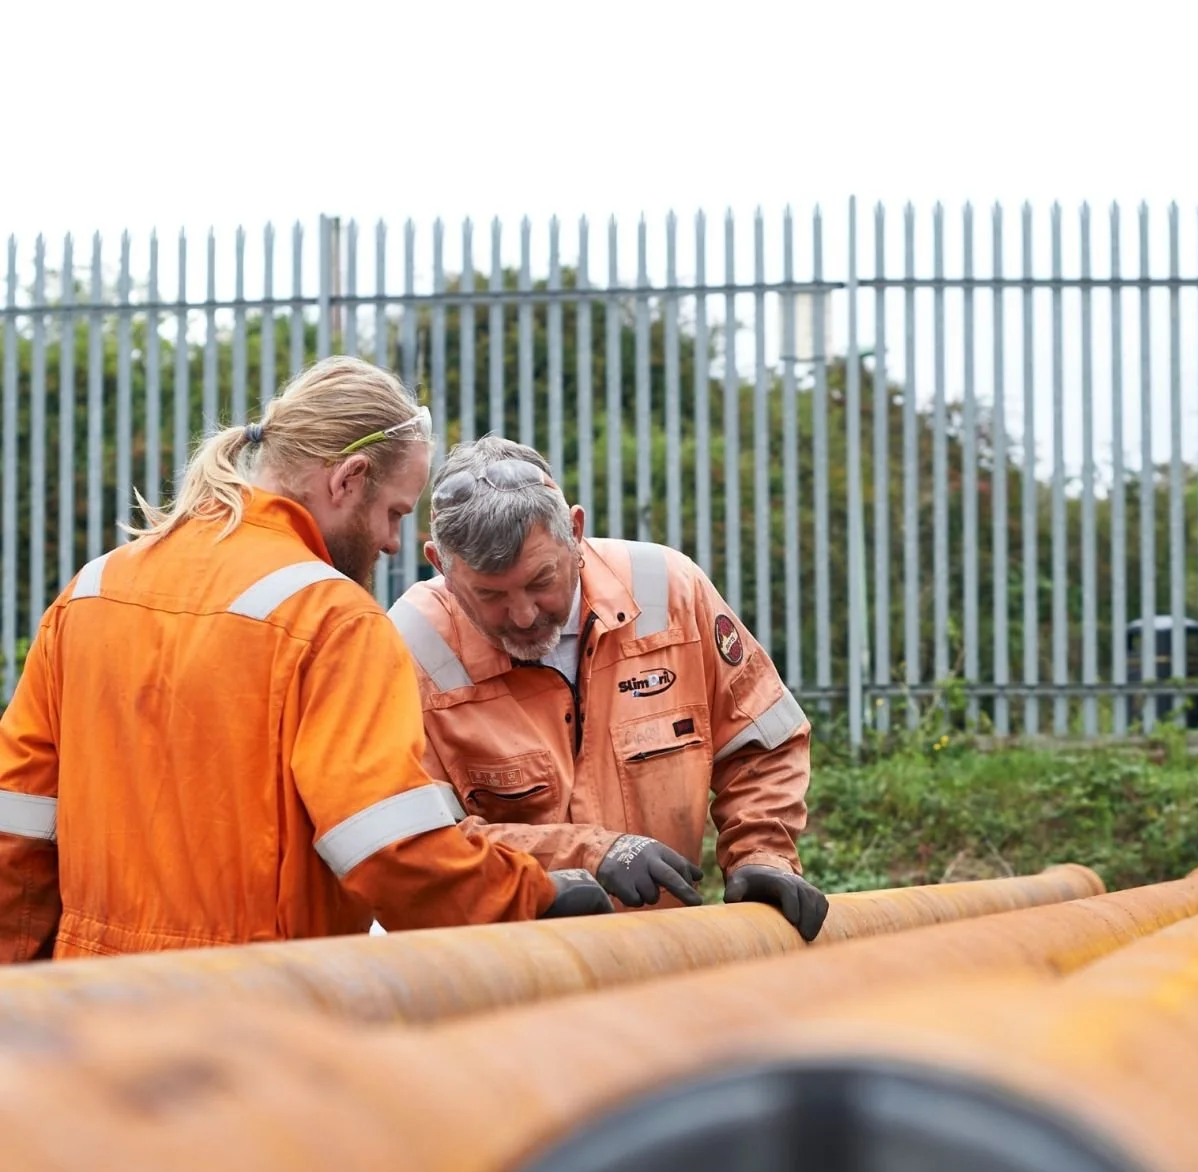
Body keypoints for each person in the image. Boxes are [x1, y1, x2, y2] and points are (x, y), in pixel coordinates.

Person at [0, 359, 609, 962]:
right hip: (263, 1006)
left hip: (92, 1010)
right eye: (395, 512)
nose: (394, 542)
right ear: (349, 479)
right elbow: (388, 846)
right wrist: (532, 896)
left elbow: (17, 829)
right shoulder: (332, 619)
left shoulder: (91, 590)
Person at [388, 436, 828, 941]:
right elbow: (425, 844)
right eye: (489, 596)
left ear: (575, 531)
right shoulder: (412, 647)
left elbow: (761, 743)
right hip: (510, 973)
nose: (524, 614)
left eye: (541, 581)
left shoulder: (669, 591)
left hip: (669, 960)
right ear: (439, 565)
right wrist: (590, 855)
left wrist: (761, 853)